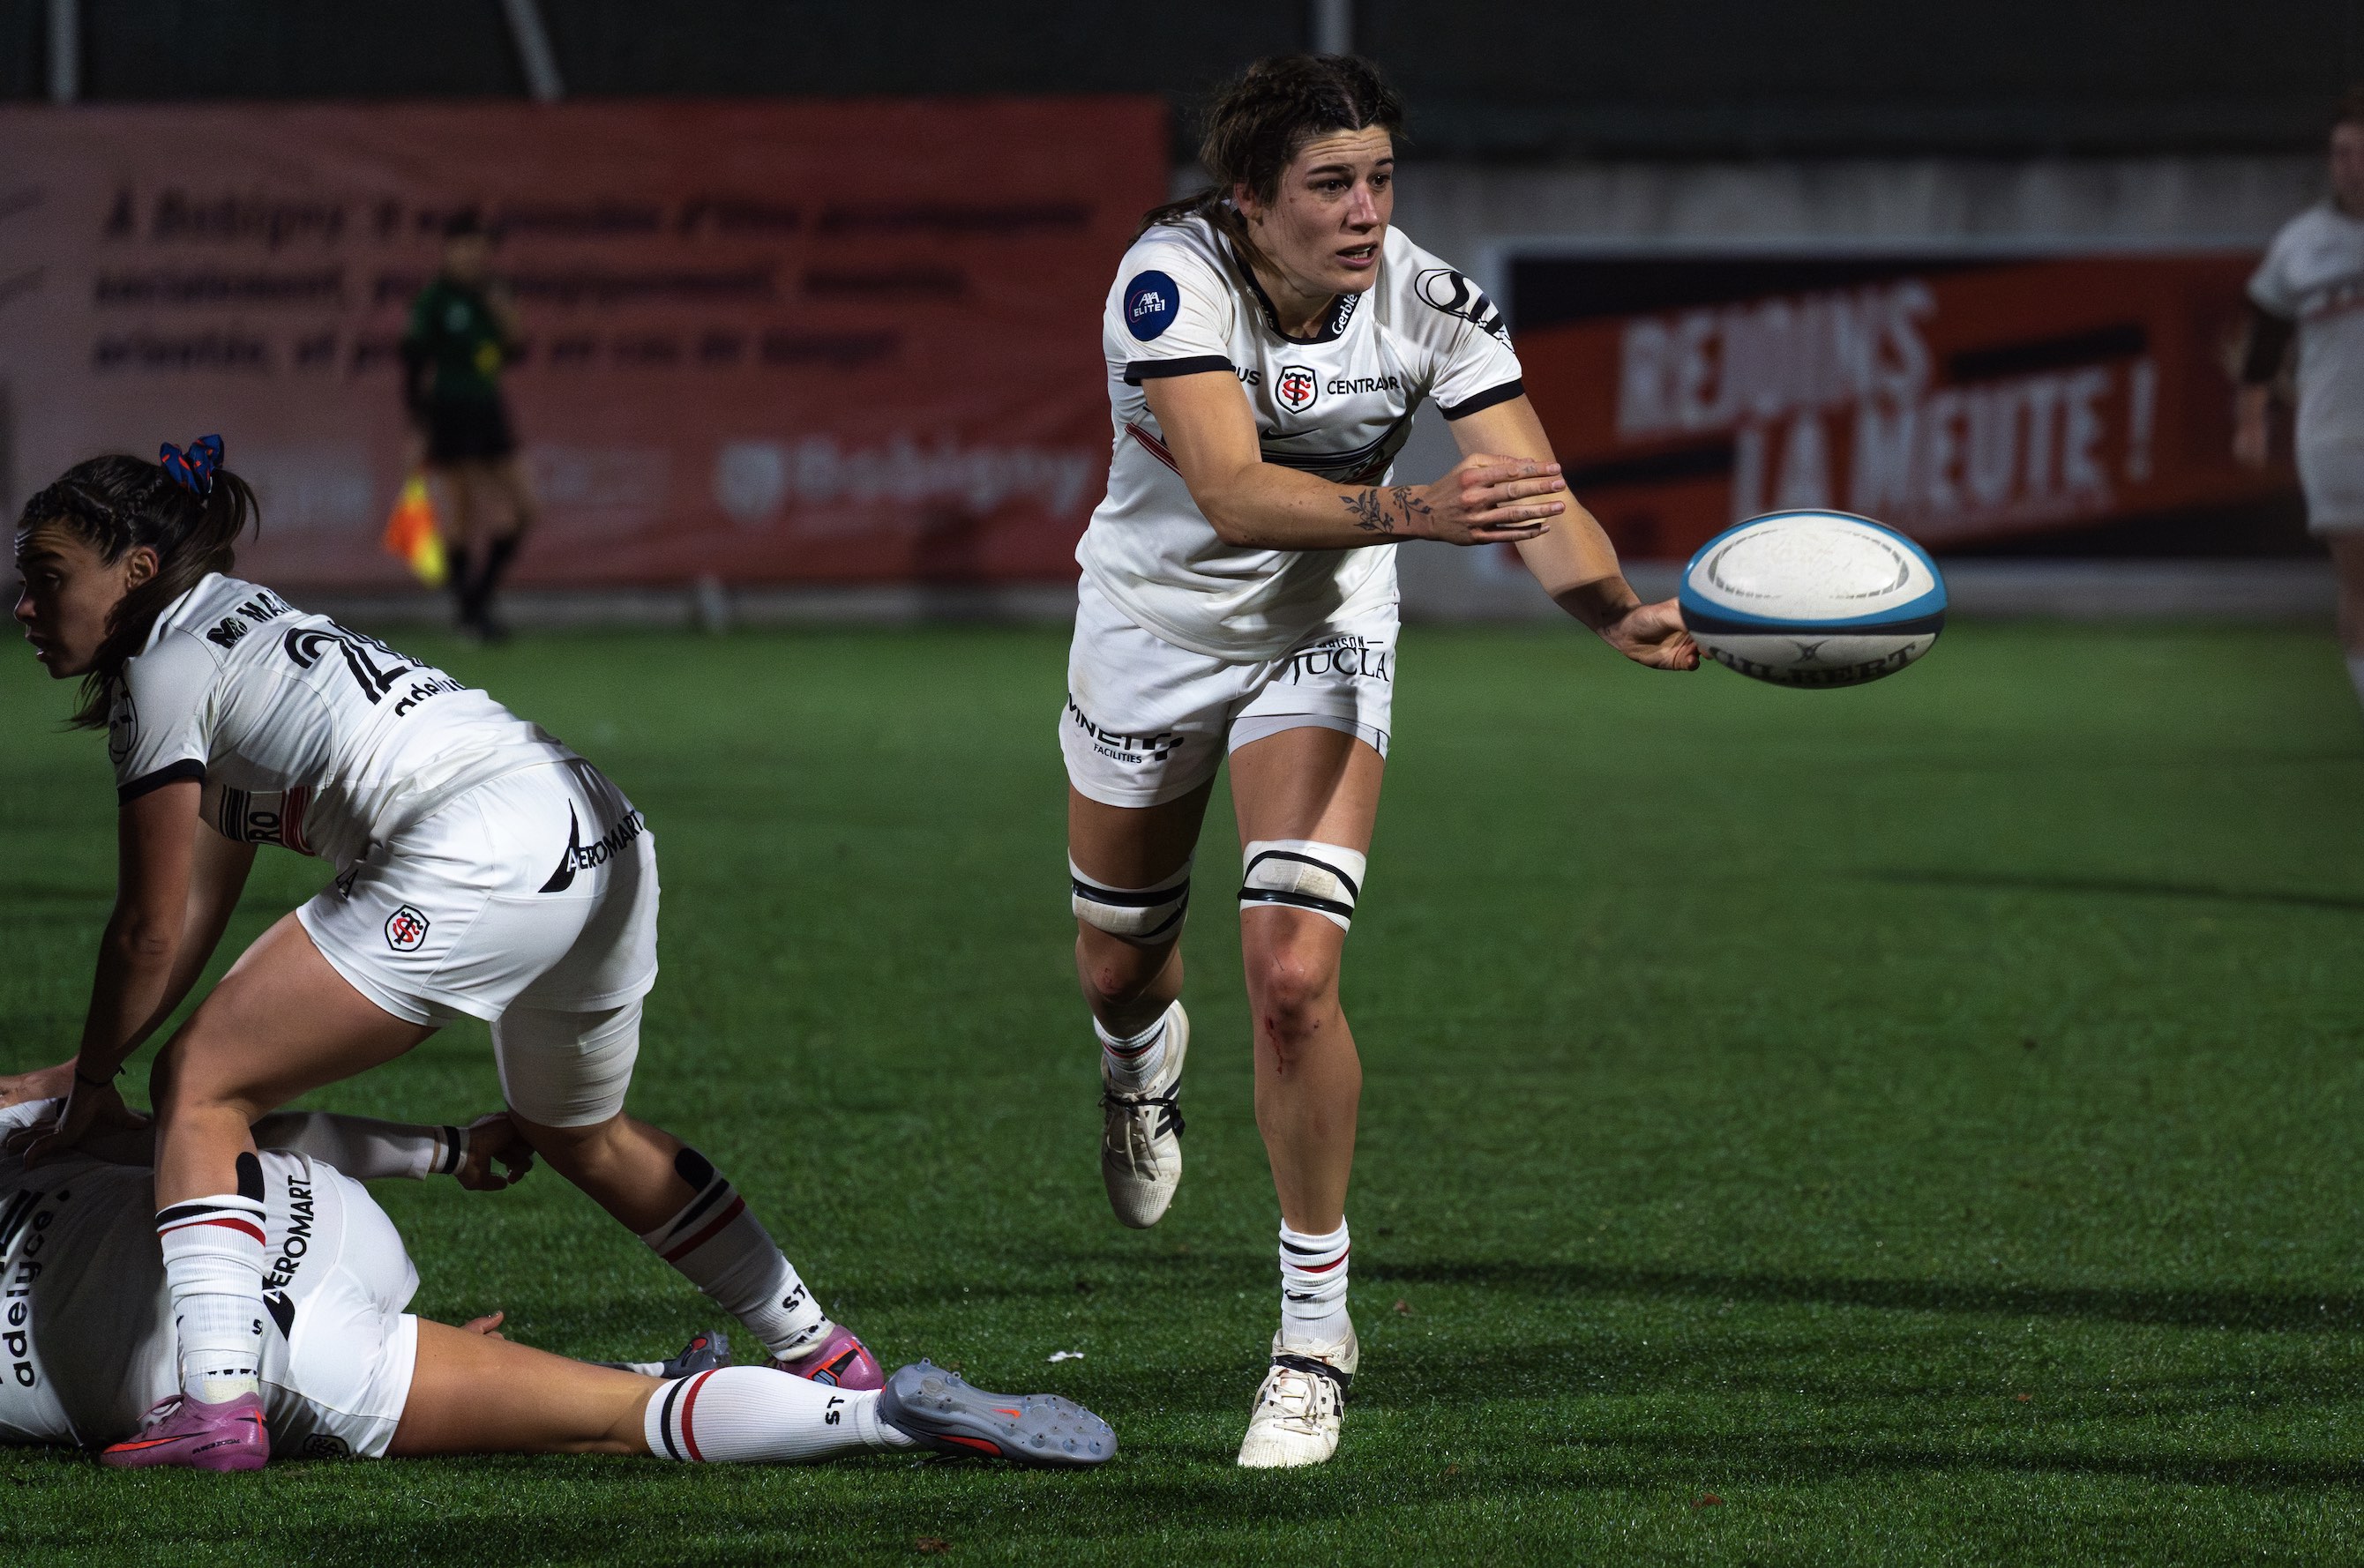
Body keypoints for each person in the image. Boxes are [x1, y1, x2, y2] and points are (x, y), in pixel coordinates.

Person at [7, 438, 879, 1470]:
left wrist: (101, 1079)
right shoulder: (243, 624)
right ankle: (822, 1350)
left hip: (472, 846)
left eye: (48, 576)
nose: (25, 603)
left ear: (136, 569)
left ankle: (218, 1406)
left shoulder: (159, 667)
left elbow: (148, 927)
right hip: (596, 826)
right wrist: (87, 1072)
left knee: (198, 1082)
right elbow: (199, 906)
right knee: (580, 1132)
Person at [1060, 55, 1696, 1469]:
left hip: (1323, 634)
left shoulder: (1431, 302)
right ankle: (1134, 1058)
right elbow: (1230, 494)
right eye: (1330, 185)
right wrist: (1417, 506)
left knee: (1292, 975)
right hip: (1152, 631)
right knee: (1117, 961)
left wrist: (1615, 610)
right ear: (1252, 201)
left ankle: (1310, 1330)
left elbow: (1535, 493)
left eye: (1380, 178)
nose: (1365, 211)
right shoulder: (1170, 282)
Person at [0, 1094, 1114, 1469]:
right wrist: (442, 1148)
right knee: (209, 1117)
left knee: (617, 1425)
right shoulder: (22, 1124)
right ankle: (732, 1358)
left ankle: (875, 1416)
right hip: (322, 1217)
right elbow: (232, 1119)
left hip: (267, 1356)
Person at [2240, 87, 2364, 714]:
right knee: (2358, 578)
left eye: (2362, 152)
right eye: (2343, 152)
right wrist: (2252, 422)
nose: (2352, 164)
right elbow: (2264, 341)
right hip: (2336, 437)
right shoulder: (2302, 242)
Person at [402, 210, 535, 641]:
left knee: (525, 509)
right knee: (463, 513)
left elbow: (516, 350)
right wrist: (417, 425)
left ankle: (473, 606)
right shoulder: (436, 298)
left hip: (488, 408)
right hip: (449, 410)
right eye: (466, 247)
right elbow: (414, 363)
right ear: (449, 250)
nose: (474, 256)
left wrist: (504, 312)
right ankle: (473, 614)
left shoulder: (493, 294)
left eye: (482, 248)